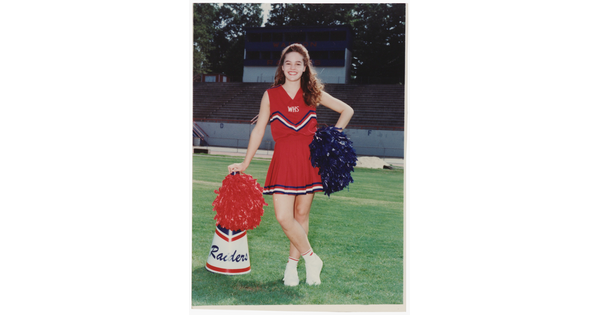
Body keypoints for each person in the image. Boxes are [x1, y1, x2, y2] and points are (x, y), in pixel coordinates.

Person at [228, 43, 354, 286]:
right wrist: (245, 163)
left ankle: (292, 269)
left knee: (301, 214)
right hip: (283, 161)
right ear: (282, 67)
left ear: (305, 67)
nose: (293, 67)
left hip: (309, 161)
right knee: (284, 216)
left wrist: (331, 139)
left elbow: (346, 110)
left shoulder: (313, 93)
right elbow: (258, 131)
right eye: (288, 63)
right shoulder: (271, 95)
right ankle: (312, 258)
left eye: (298, 63)